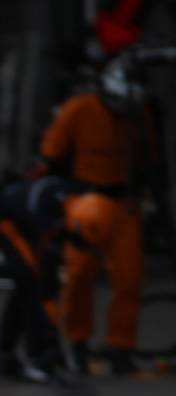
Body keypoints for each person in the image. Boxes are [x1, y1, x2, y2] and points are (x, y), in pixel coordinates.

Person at [39, 60, 159, 374]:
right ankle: (77, 341)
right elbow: (50, 157)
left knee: (129, 278)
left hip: (125, 202)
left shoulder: (138, 115)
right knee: (79, 274)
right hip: (86, 199)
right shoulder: (79, 110)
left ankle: (121, 346)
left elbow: (148, 159)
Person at [0, 175, 71, 383]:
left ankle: (7, 352)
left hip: (25, 223)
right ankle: (37, 356)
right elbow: (46, 282)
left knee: (28, 287)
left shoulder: (70, 209)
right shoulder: (53, 213)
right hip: (7, 222)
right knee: (32, 283)